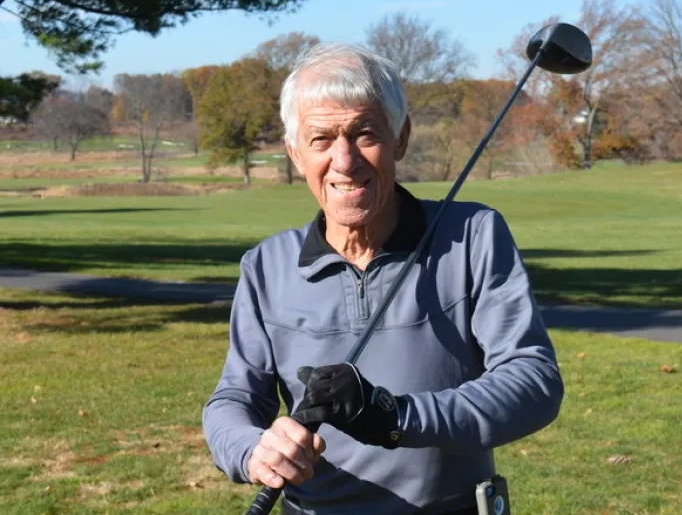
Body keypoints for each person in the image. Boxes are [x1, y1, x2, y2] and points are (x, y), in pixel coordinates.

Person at [202, 42, 563, 515]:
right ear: (295, 153)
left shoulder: (473, 235)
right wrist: (253, 450)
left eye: (365, 134)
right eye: (321, 140)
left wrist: (396, 417)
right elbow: (233, 399)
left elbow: (533, 382)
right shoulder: (266, 265)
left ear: (402, 137)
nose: (345, 160)